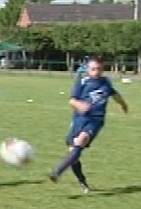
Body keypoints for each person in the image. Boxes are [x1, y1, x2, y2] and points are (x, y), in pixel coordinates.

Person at [49, 57, 128, 193]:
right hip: (79, 120)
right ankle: (82, 181)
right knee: (73, 155)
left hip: (95, 121)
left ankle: (58, 171)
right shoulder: (82, 81)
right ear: (88, 69)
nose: (96, 72)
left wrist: (123, 104)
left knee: (82, 140)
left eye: (99, 69)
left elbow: (115, 94)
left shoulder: (105, 82)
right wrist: (80, 105)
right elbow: (72, 101)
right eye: (93, 69)